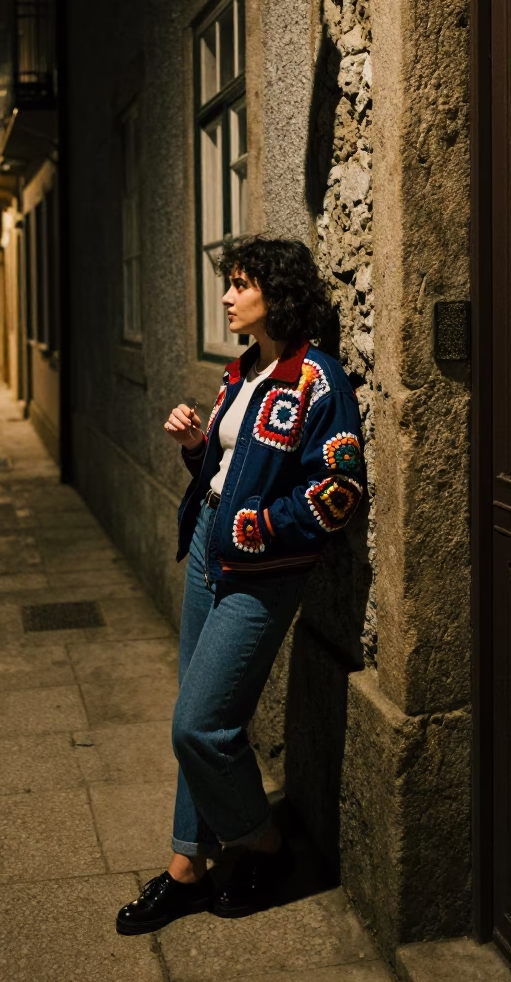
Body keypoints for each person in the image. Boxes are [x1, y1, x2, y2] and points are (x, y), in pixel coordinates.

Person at [116, 236, 365, 935]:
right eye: (228, 283)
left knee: (199, 725)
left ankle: (264, 844)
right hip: (208, 544)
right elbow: (230, 471)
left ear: (275, 295)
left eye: (240, 284)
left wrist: (260, 525)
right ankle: (187, 868)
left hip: (263, 570)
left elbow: (340, 490)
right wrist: (197, 448)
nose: (226, 296)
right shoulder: (242, 372)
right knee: (197, 714)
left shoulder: (317, 381)